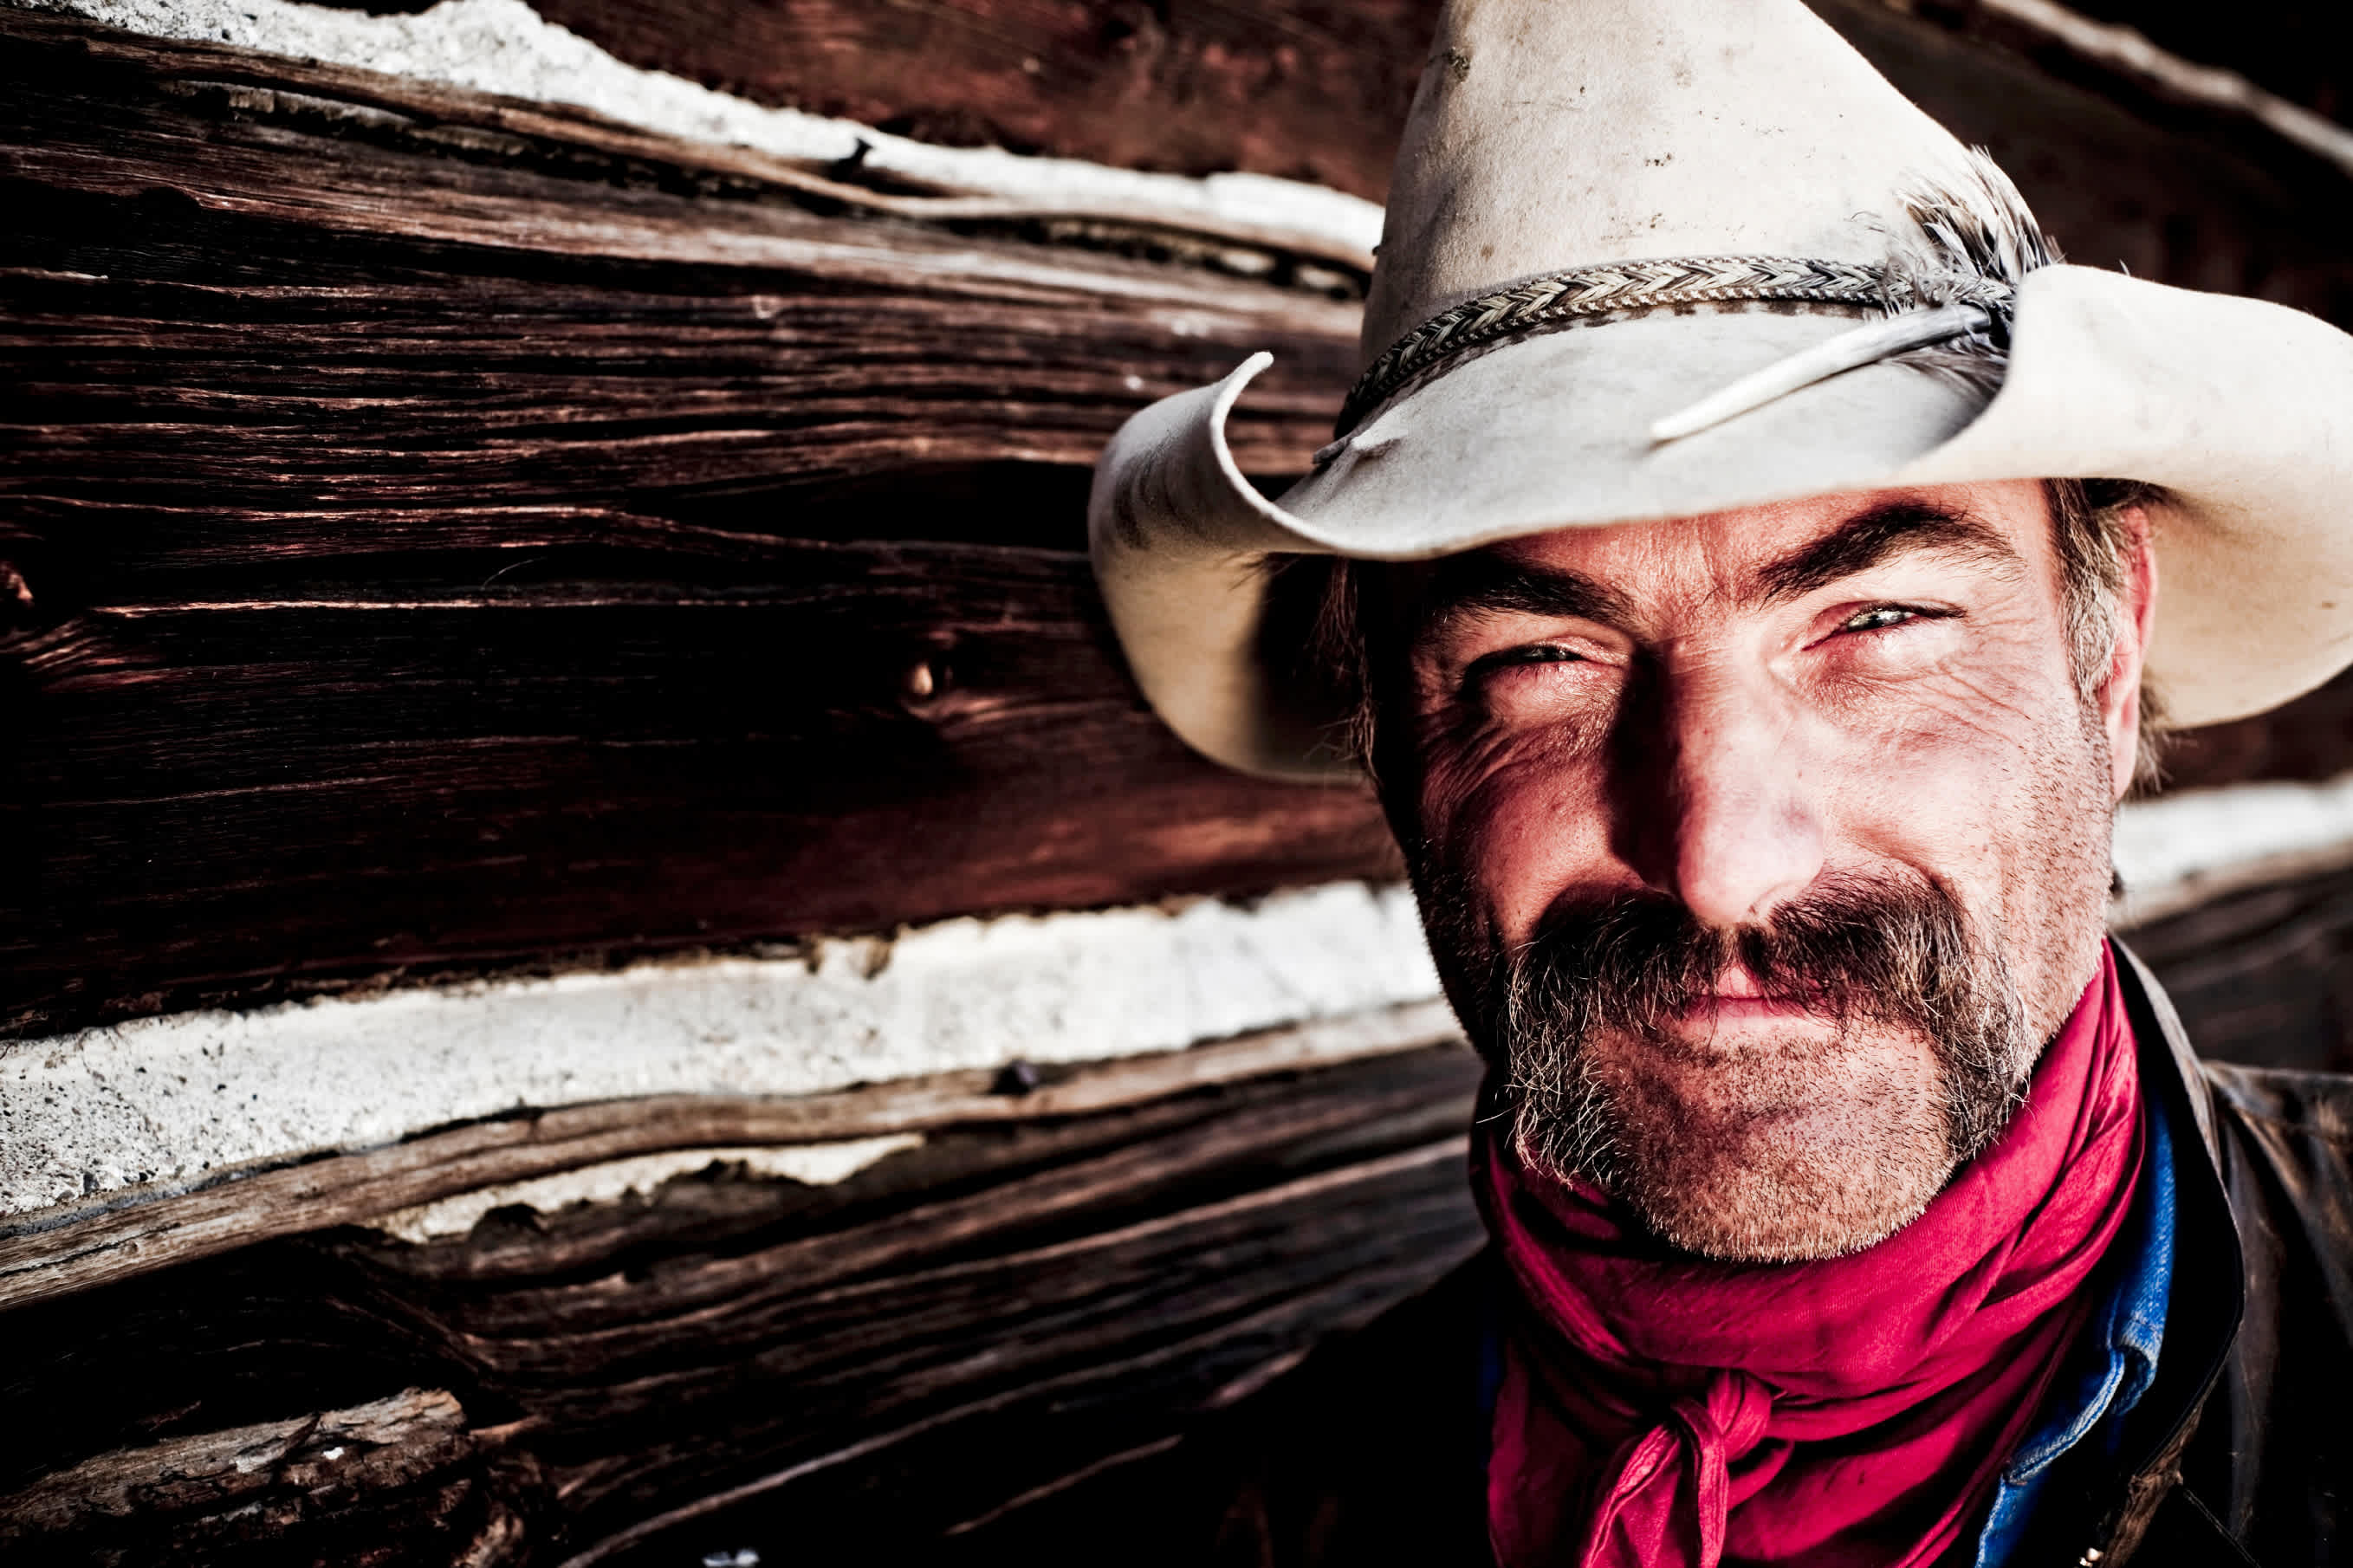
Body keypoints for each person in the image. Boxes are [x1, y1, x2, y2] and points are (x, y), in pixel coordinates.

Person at [1086, 1, 2353, 1564]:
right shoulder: (1258, 1529)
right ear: (1400, 756)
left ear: (2107, 658)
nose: (1720, 860)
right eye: (1543, 660)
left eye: (1876, 624)